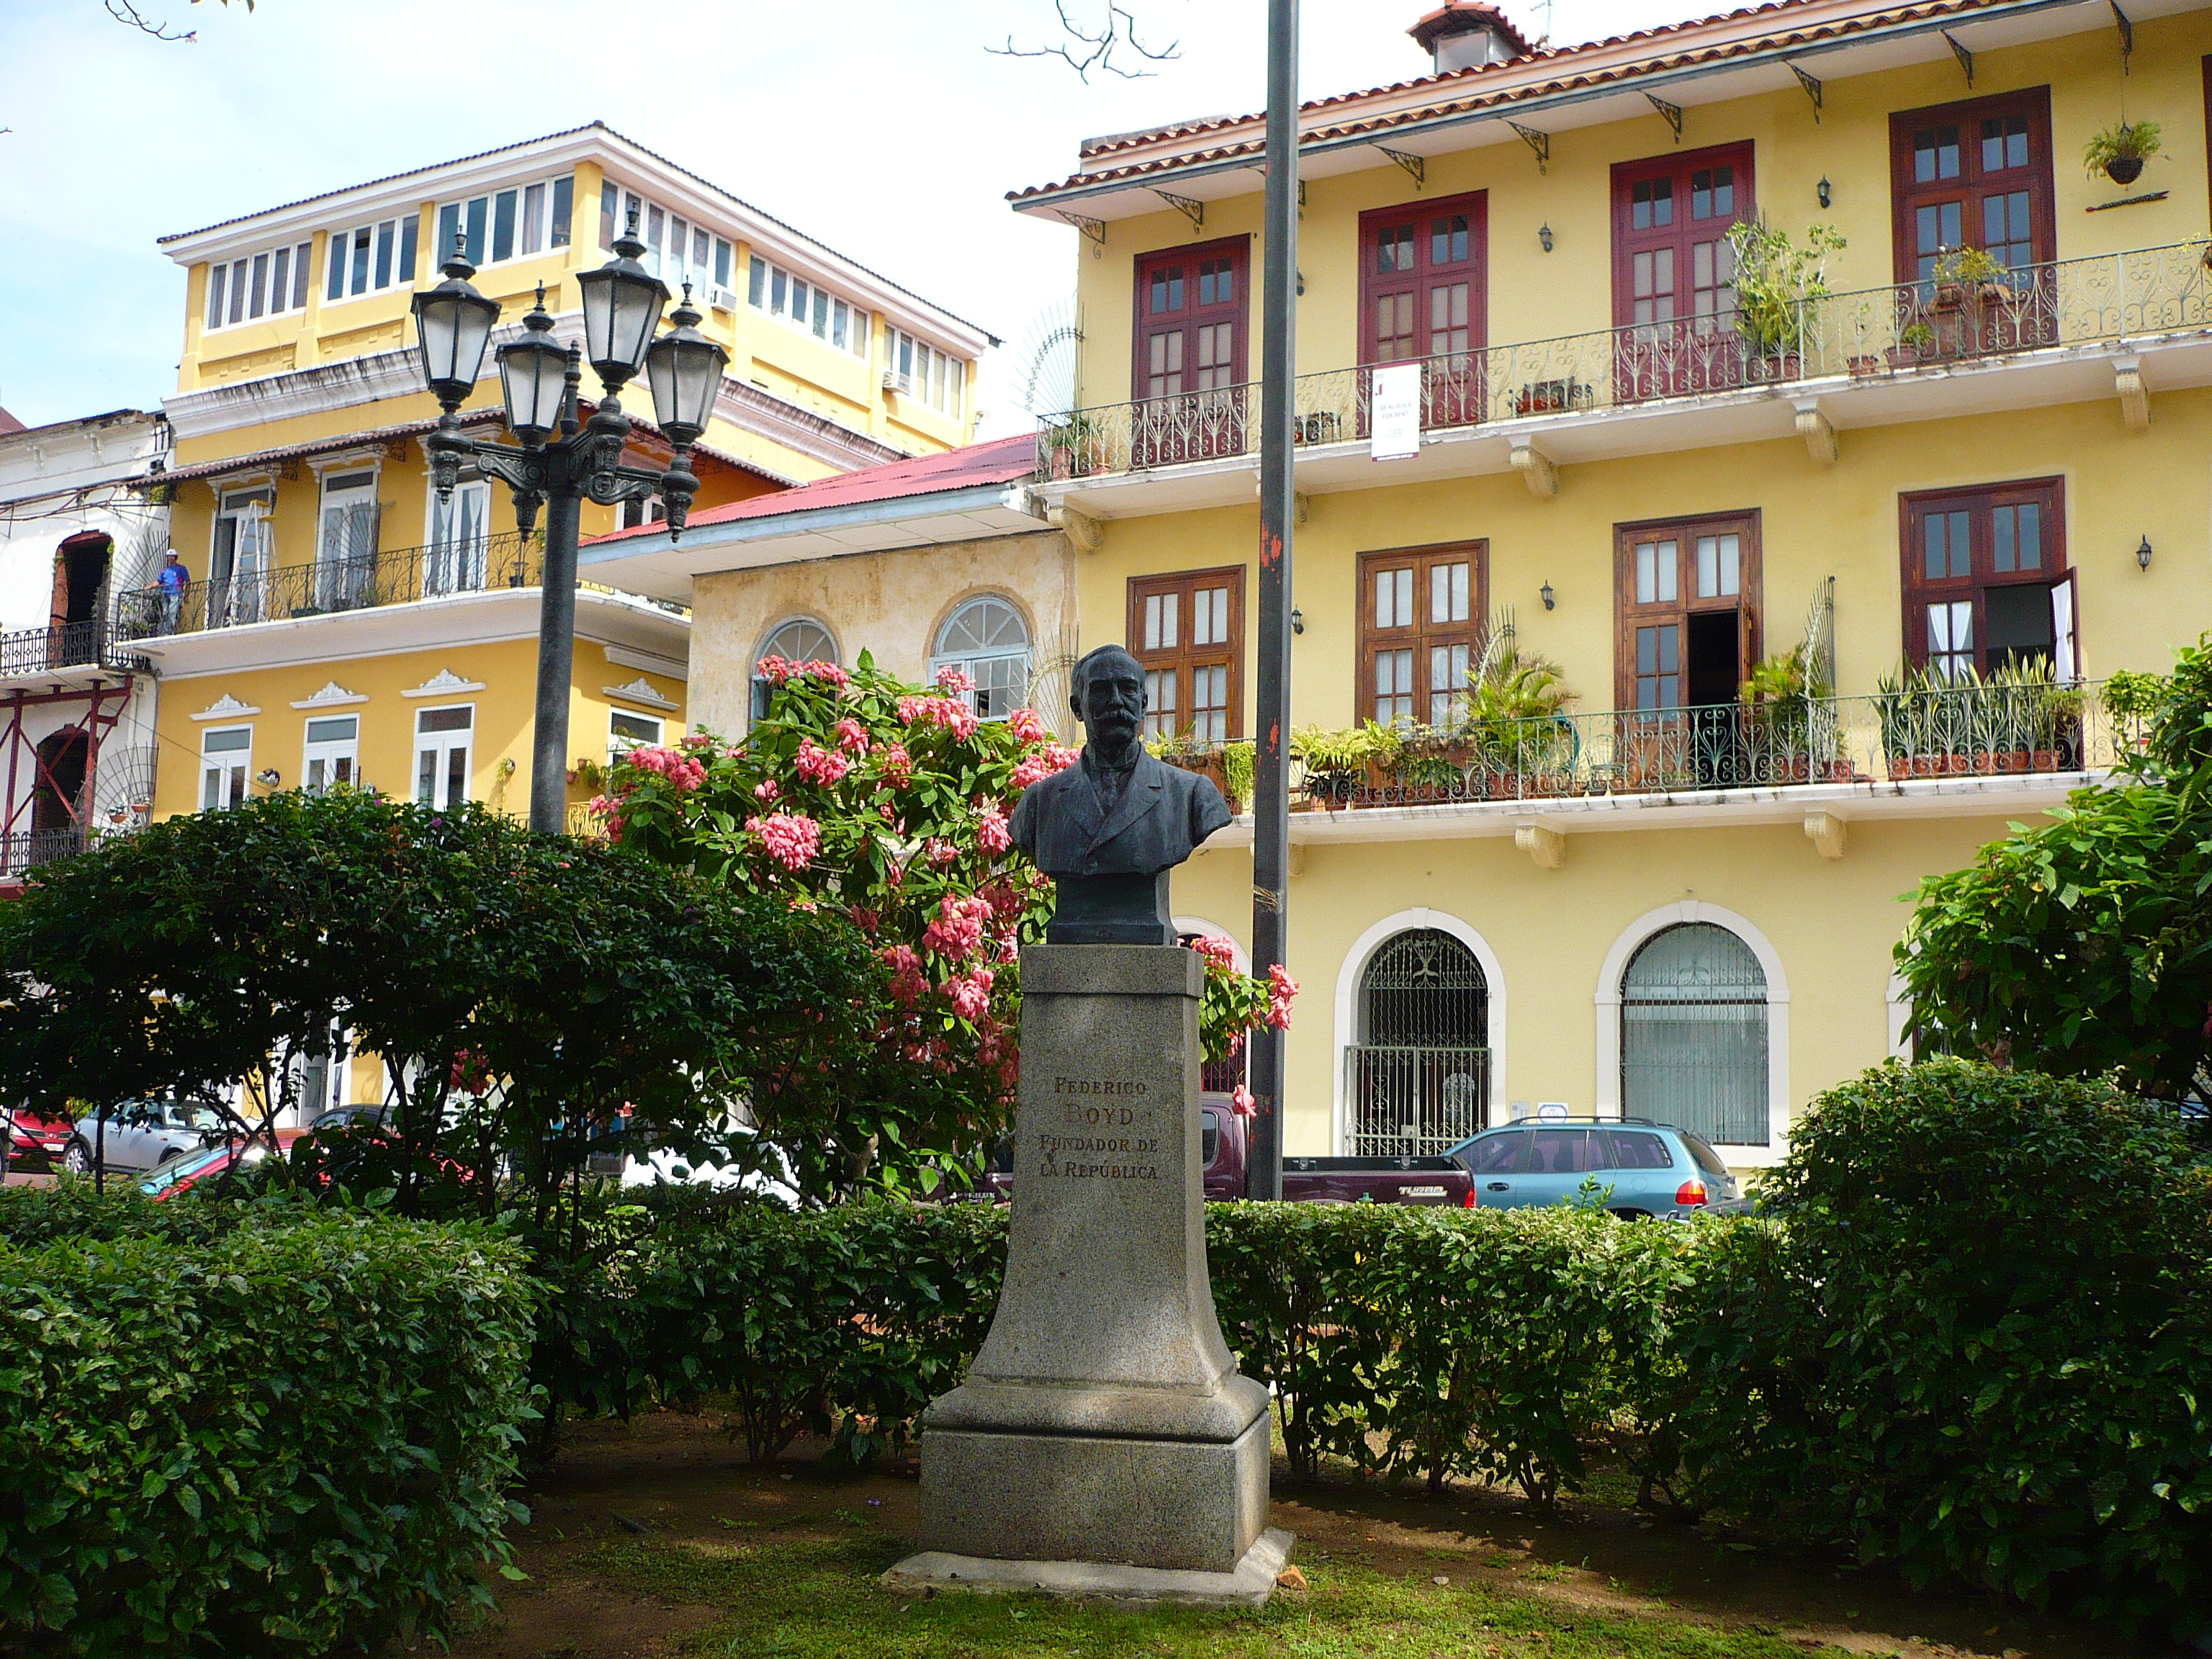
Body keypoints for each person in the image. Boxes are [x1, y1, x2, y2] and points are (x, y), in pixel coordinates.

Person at [1010, 643, 1232, 943]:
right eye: (1101, 690)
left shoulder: (1192, 797)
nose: (1116, 701)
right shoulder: (1040, 804)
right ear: (1078, 707)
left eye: (1126, 689)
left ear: (1143, 704)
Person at [155, 549, 190, 635]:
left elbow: (188, 582)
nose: (170, 558)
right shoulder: (166, 571)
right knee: (165, 613)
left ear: (176, 558)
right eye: (169, 556)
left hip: (175, 593)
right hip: (165, 593)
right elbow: (159, 581)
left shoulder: (181, 568)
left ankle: (169, 632)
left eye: (172, 556)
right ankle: (165, 631)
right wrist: (148, 586)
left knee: (172, 613)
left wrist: (186, 595)